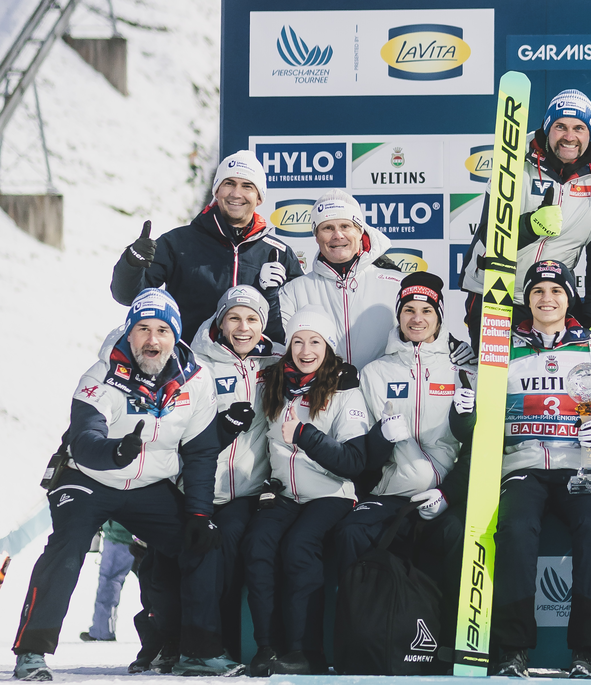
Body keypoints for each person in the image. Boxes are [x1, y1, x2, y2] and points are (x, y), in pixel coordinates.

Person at [13, 289, 243, 680]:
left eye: (162, 330)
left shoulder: (197, 379)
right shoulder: (99, 374)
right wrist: (116, 452)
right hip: (88, 477)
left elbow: (201, 453)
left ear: (176, 335)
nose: (152, 340)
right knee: (67, 549)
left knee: (204, 542)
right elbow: (84, 441)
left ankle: (199, 652)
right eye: (143, 329)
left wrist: (200, 513)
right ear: (129, 332)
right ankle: (31, 653)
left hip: (147, 485)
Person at [241, 306, 398, 675]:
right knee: (258, 543)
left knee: (300, 546)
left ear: (328, 347)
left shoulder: (345, 391)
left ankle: (304, 651)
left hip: (331, 493)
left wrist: (304, 436)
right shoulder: (276, 385)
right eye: (298, 341)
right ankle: (266, 646)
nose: (305, 349)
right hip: (284, 494)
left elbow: (354, 461)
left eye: (315, 341)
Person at [486, 260, 591, 678]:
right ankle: (512, 649)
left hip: (579, 466)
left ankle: (587, 651)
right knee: (515, 528)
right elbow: (485, 417)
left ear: (570, 297)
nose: (547, 299)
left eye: (556, 291)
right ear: (527, 299)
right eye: (538, 291)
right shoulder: (502, 348)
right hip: (522, 464)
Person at [334, 271, 473, 650]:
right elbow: (361, 450)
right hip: (391, 492)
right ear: (398, 316)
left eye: (426, 310)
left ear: (440, 317)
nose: (416, 318)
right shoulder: (375, 373)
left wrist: (446, 493)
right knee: (350, 533)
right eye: (408, 310)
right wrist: (381, 437)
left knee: (462, 538)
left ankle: (454, 645)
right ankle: (357, 640)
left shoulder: (462, 369)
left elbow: (477, 445)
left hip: (445, 494)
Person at [461, 89, 591, 346]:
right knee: (493, 379)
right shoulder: (513, 157)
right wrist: (530, 225)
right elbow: (488, 235)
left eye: (579, 128)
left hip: (550, 299)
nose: (569, 137)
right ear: (547, 128)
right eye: (560, 126)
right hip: (494, 289)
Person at [110, 151, 303, 344]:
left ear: (259, 198)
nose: (236, 193)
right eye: (229, 183)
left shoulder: (278, 253)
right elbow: (128, 297)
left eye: (247, 186)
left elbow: (301, 319)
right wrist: (132, 263)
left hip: (254, 369)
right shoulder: (177, 242)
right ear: (216, 191)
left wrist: (267, 293)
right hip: (191, 365)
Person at [280, 189, 471, 370]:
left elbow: (422, 322)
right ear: (316, 235)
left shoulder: (395, 282)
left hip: (386, 391)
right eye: (328, 228)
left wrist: (448, 342)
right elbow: (284, 348)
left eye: (346, 226)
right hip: (324, 396)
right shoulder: (295, 291)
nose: (338, 235)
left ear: (360, 231)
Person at [189, 285, 280, 655]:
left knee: (227, 546)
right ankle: (172, 643)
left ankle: (224, 645)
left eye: (253, 319)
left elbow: (315, 371)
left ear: (263, 326)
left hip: (246, 488)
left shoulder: (274, 362)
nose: (244, 327)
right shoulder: (197, 365)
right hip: (198, 487)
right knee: (183, 556)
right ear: (220, 321)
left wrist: (339, 377)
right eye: (235, 318)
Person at [79, 521, 136, 642]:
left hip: (119, 536)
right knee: (157, 584)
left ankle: (102, 631)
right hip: (140, 534)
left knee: (109, 582)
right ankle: (166, 633)